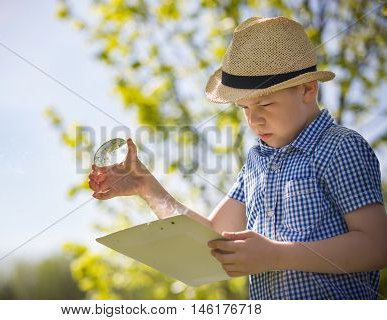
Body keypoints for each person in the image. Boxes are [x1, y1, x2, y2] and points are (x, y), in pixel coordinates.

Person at [88, 16, 387, 299]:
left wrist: (277, 255)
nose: (254, 120)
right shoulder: (256, 163)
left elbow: (376, 245)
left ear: (308, 89)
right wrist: (147, 188)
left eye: (265, 103)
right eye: (244, 108)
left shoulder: (340, 147)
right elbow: (213, 238)